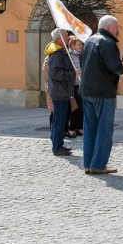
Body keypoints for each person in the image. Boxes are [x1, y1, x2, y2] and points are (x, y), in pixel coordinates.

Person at [80, 15, 123, 174]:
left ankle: (88, 163)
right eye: (116, 27)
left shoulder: (89, 41)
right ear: (110, 27)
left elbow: (82, 64)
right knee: (104, 130)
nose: (117, 30)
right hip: (103, 92)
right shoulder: (107, 42)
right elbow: (115, 67)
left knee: (90, 128)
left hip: (87, 91)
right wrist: (122, 67)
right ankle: (98, 164)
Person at [47, 29, 78, 157]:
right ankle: (57, 147)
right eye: (66, 36)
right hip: (60, 91)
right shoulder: (56, 54)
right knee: (59, 120)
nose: (68, 37)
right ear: (59, 40)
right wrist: (72, 74)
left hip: (62, 91)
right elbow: (56, 73)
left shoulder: (60, 52)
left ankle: (57, 143)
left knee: (58, 119)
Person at [67, 36, 84, 137]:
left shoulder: (82, 55)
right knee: (74, 108)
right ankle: (72, 128)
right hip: (73, 85)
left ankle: (80, 127)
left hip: (81, 84)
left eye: (81, 44)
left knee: (82, 108)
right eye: (78, 44)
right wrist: (74, 72)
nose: (81, 46)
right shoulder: (69, 56)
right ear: (73, 45)